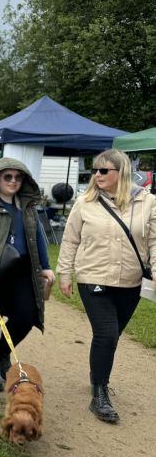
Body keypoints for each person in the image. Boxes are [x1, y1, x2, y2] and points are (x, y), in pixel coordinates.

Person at [57, 149, 156, 422]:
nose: (97, 175)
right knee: (107, 334)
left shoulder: (147, 202)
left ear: (120, 172)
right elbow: (70, 241)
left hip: (131, 282)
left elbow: (154, 241)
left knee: (112, 336)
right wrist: (64, 273)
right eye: (95, 170)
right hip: (93, 277)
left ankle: (96, 375)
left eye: (104, 170)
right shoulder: (85, 202)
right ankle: (99, 394)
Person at [0, 157, 55, 391]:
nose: (13, 181)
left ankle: (2, 353)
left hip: (22, 270)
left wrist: (45, 266)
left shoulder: (27, 205)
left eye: (18, 177)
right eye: (8, 176)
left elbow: (37, 237)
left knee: (27, 316)